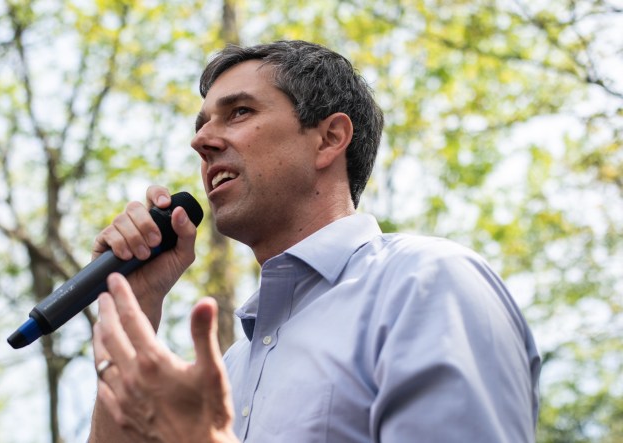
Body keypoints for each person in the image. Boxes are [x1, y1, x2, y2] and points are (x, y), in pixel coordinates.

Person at [87, 40, 541, 442]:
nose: (200, 141)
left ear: (329, 138)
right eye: (202, 123)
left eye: (239, 112)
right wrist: (133, 308)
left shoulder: (425, 283)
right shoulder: (230, 368)